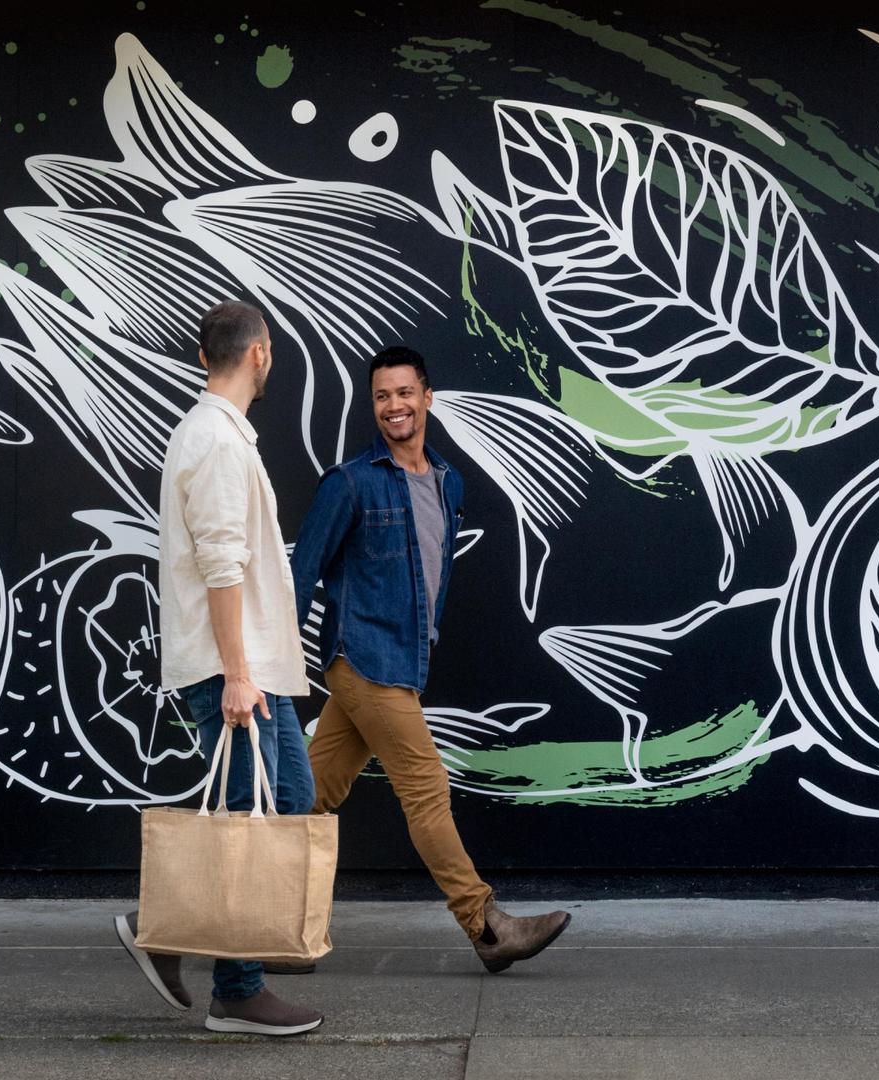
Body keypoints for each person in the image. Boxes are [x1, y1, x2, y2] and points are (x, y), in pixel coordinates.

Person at [291, 345, 570, 973]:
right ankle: (486, 924)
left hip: (402, 659)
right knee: (426, 789)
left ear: (428, 397)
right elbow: (301, 573)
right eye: (383, 396)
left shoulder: (448, 482)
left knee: (306, 797)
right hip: (362, 658)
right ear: (375, 406)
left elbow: (429, 576)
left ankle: (221, 918)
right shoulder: (351, 483)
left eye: (405, 393)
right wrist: (277, 669)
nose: (395, 406)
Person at [113, 301, 323, 1036]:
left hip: (260, 664)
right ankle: (236, 990)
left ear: (210, 355)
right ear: (260, 353)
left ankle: (167, 928)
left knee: (290, 795)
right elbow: (222, 562)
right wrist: (237, 673)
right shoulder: (216, 442)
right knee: (249, 817)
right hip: (238, 668)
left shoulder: (222, 435)